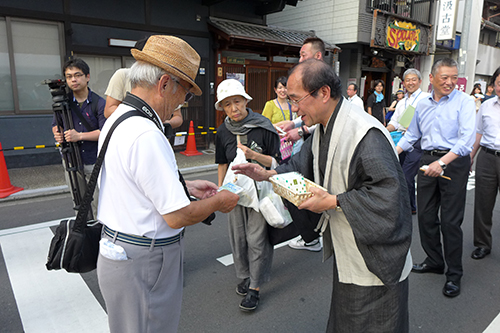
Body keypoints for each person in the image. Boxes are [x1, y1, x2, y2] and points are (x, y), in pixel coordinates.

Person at [233, 59, 412, 332]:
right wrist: (266, 174)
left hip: (373, 258)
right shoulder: (323, 127)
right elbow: (297, 168)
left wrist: (332, 201)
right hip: (348, 247)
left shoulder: (365, 132)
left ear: (324, 93)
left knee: (374, 322)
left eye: (297, 99)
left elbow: (388, 196)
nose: (294, 108)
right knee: (346, 318)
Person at [96, 35, 239, 333]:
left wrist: (184, 188)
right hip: (145, 259)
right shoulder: (147, 133)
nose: (182, 105)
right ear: (164, 84)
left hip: (120, 250)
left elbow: (134, 184)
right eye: (184, 95)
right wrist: (220, 200)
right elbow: (176, 217)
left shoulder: (118, 117)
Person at [396, 58, 476, 298]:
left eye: (454, 78)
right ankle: (434, 260)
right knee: (426, 217)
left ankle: (454, 274)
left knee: (451, 222)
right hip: (426, 162)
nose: (450, 82)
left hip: (452, 164)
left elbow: (466, 140)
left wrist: (441, 163)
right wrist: (393, 152)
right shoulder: (421, 105)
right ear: (432, 78)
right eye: (445, 78)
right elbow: (412, 135)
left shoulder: (465, 102)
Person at [215, 78, 281, 312]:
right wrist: (219, 192)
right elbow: (222, 163)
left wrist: (254, 154)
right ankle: (244, 276)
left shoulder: (263, 126)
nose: (233, 108)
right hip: (234, 194)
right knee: (239, 238)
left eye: (237, 102)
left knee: (256, 240)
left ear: (246, 100)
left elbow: (277, 161)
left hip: (260, 192)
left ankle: (255, 287)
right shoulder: (223, 130)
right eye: (227, 105)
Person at [277, 36, 325, 252]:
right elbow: (307, 110)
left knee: (293, 185)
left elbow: (325, 117)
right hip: (309, 143)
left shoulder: (325, 80)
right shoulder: (311, 78)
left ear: (317, 56)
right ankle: (313, 233)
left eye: (303, 54)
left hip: (317, 144)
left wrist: (300, 130)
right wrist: (294, 123)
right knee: (293, 183)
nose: (299, 58)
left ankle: (311, 235)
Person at [51, 58, 106, 219]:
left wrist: (79, 136)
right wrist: (57, 132)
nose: (73, 80)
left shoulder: (99, 103)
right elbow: (56, 123)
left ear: (87, 77)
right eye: (69, 76)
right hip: (71, 160)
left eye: (77, 75)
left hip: (93, 160)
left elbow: (105, 132)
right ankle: (83, 237)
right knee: (79, 205)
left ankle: (98, 237)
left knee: (98, 204)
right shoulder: (62, 103)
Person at [104, 38, 183, 131]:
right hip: (130, 131)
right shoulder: (123, 75)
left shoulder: (168, 81)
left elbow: (178, 117)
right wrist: (145, 119)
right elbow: (108, 110)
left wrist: (162, 124)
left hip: (157, 132)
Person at [386, 69, 430, 215]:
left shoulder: (426, 98)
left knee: (406, 175)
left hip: (417, 142)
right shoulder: (401, 102)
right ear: (403, 83)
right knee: (400, 175)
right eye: (407, 80)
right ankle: (411, 206)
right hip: (400, 140)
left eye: (414, 79)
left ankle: (402, 208)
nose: (410, 83)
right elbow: (394, 122)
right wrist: (385, 130)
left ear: (420, 81)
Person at [469, 67, 500, 260]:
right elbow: (478, 133)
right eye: (499, 83)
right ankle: (482, 244)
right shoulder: (487, 106)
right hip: (487, 158)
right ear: (494, 85)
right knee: (483, 204)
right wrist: (471, 156)